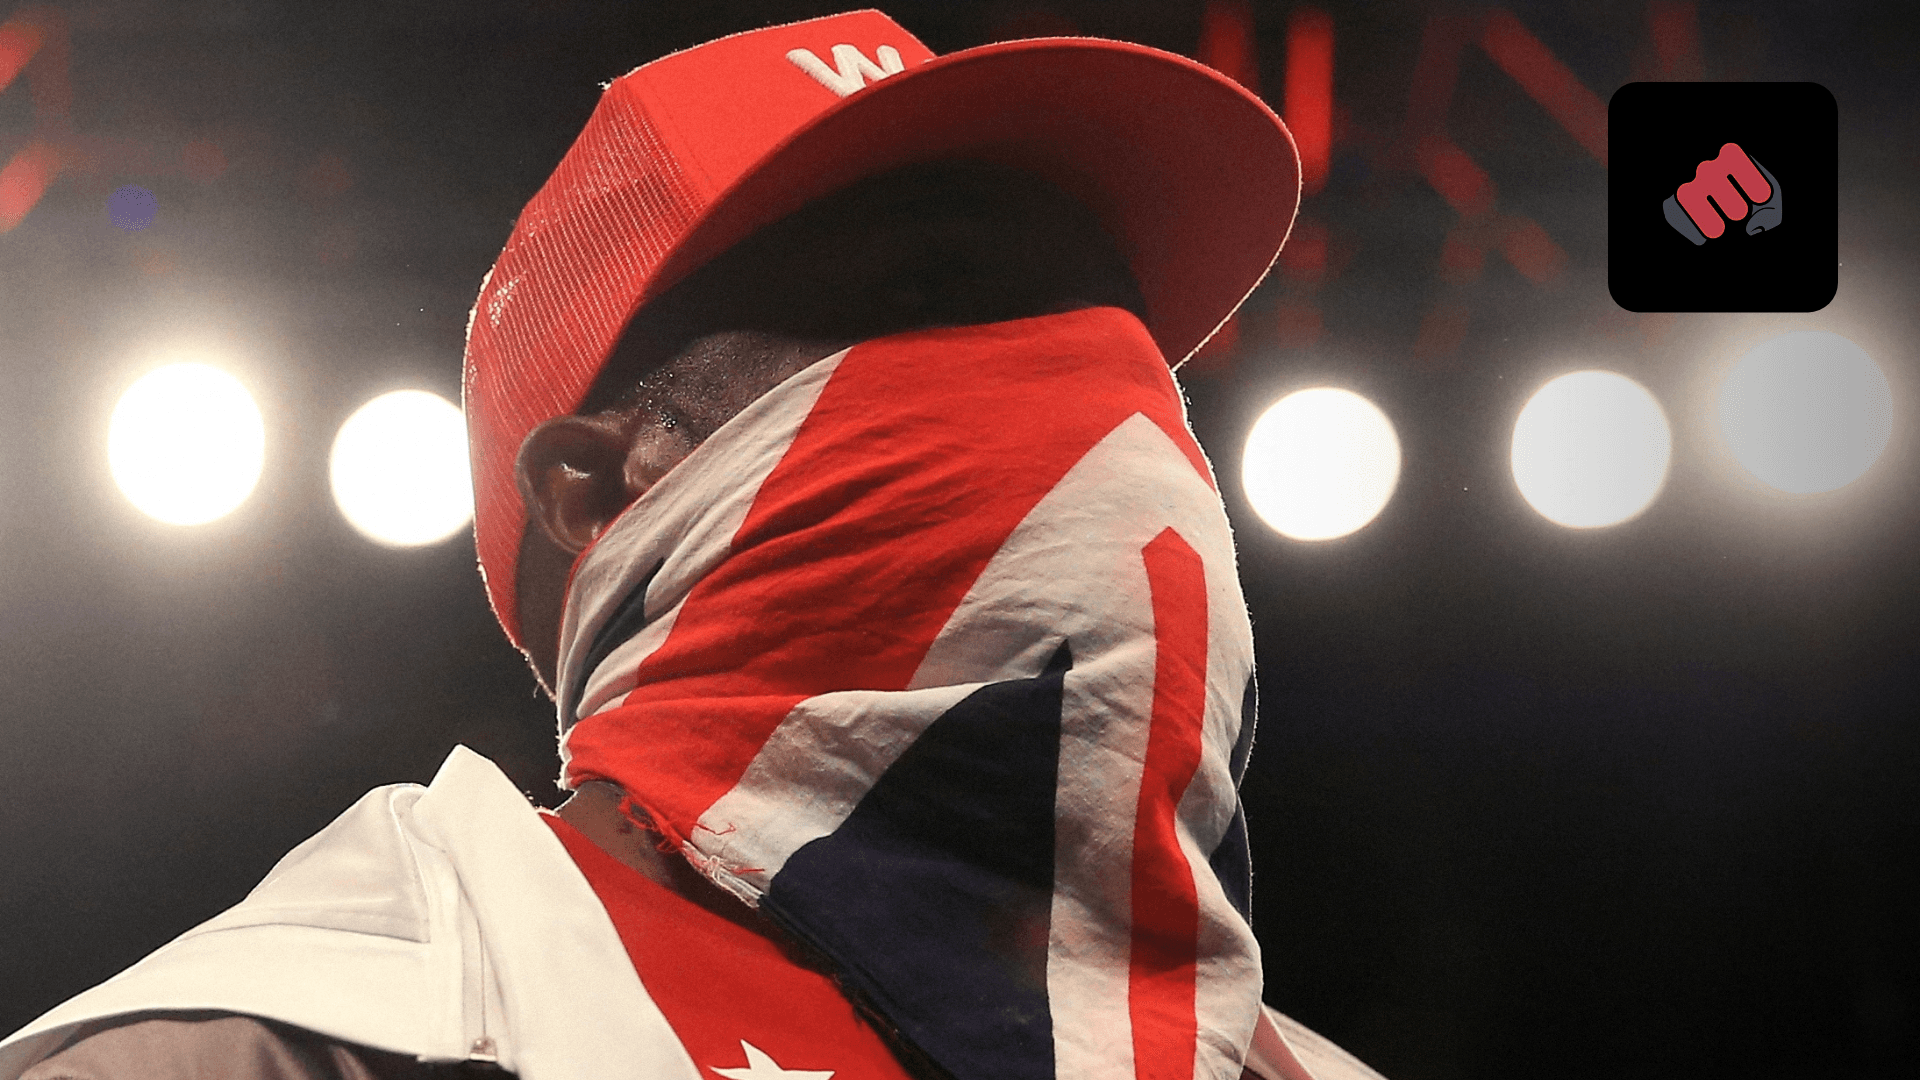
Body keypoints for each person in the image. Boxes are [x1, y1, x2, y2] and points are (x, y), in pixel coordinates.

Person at [0, 11, 1387, 1080]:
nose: (1094, 386)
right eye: (936, 294)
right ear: (604, 492)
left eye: (1106, 315)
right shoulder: (280, 1051)